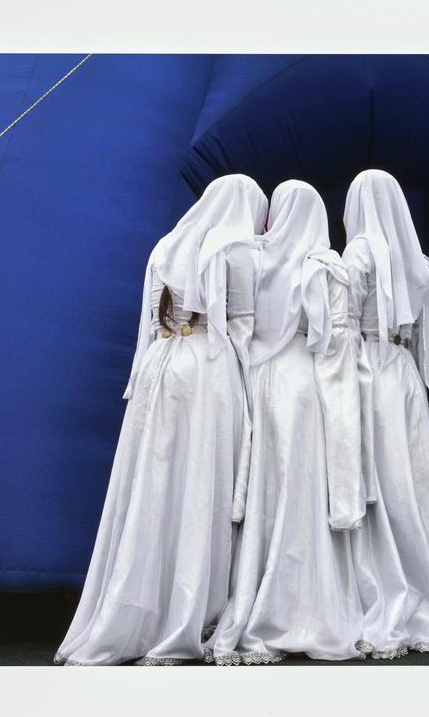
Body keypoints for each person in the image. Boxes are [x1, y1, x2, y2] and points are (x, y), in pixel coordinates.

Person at [54, 174, 268, 665]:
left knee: (151, 484)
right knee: (200, 484)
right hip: (208, 371)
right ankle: (192, 610)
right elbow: (247, 328)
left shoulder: (166, 245)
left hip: (161, 363)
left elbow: (148, 323)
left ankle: (133, 606)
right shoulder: (234, 250)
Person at [205, 179, 366, 665]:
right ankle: (306, 599)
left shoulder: (251, 258)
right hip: (303, 385)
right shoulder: (324, 266)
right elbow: (332, 343)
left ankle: (254, 595)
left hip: (257, 380)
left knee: (263, 495)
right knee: (301, 491)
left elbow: (238, 326)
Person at [342, 169, 429, 656]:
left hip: (367, 371)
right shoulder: (416, 261)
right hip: (403, 375)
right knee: (414, 483)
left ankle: (376, 591)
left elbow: (341, 326)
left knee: (377, 482)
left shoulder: (358, 253)